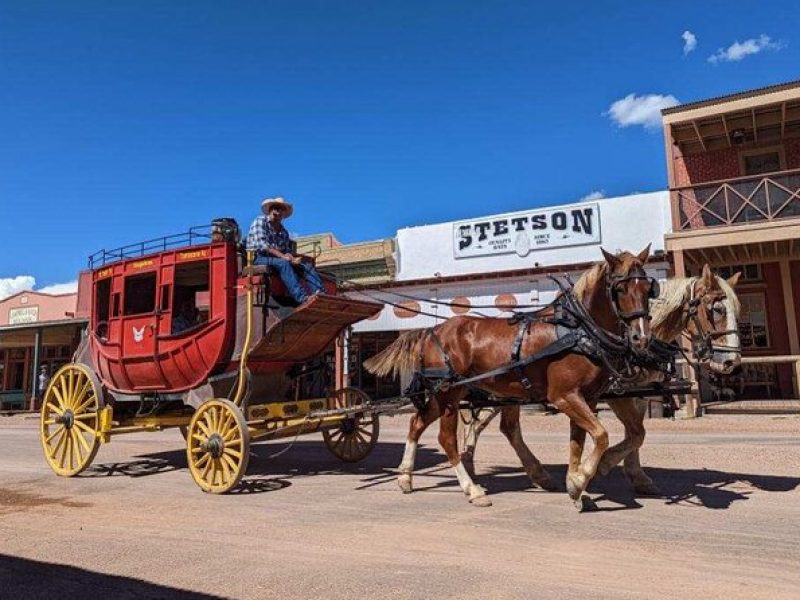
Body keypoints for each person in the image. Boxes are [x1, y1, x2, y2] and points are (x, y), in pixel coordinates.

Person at [246, 197, 325, 304]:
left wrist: (292, 258)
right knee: (283, 263)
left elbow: (286, 250)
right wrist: (284, 257)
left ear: (283, 214)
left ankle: (320, 292)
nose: (277, 211)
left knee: (305, 265)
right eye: (275, 208)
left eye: (280, 209)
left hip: (276, 258)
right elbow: (264, 246)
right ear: (270, 210)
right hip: (257, 257)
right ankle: (301, 297)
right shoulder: (260, 221)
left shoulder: (284, 232)